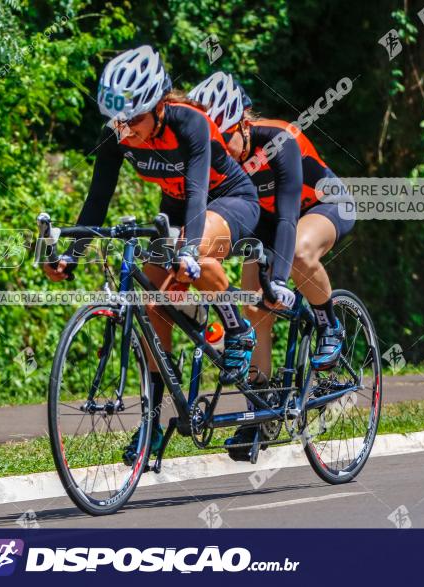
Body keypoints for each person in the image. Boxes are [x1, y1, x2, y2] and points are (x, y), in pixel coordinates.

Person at [43, 47, 260, 465]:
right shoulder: (118, 133)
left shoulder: (189, 123)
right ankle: (154, 422)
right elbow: (96, 202)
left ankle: (238, 329)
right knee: (151, 295)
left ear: (160, 106)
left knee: (186, 248)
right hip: (179, 212)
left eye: (134, 119)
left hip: (229, 199)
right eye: (117, 120)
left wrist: (190, 250)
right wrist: (70, 256)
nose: (124, 130)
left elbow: (199, 193)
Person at [188, 72, 355, 460]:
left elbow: (287, 215)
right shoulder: (216, 152)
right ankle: (260, 407)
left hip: (320, 205)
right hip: (270, 218)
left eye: (224, 137)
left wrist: (277, 279)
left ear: (244, 125)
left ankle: (329, 323)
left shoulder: (280, 139)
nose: (220, 152)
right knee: (253, 306)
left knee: (296, 254)